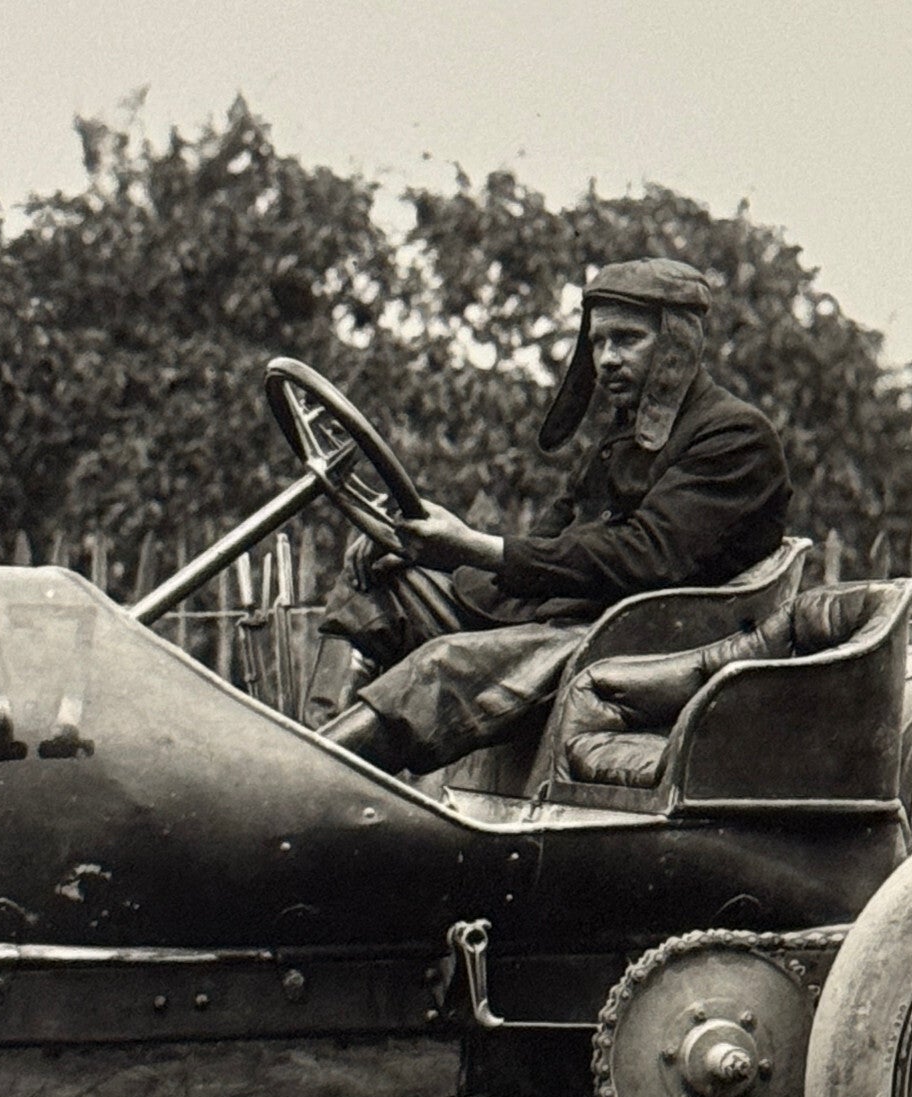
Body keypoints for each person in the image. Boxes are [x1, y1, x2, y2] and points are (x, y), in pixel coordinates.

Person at [313, 257, 792, 774]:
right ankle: (305, 738)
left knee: (441, 667)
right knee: (382, 580)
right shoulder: (620, 439)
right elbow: (548, 542)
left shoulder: (735, 435)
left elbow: (646, 555)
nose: (606, 359)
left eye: (627, 339)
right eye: (598, 342)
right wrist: (424, 540)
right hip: (576, 622)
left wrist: (472, 545)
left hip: (637, 648)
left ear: (678, 344)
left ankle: (311, 778)